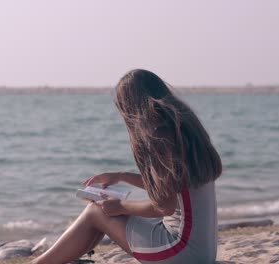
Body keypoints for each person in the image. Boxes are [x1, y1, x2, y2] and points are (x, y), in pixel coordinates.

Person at [31, 69, 222, 264]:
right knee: (103, 210)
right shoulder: (185, 129)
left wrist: (120, 206)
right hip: (203, 252)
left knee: (95, 211)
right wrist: (121, 176)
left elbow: (163, 206)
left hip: (179, 253)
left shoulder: (161, 137)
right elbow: (173, 190)